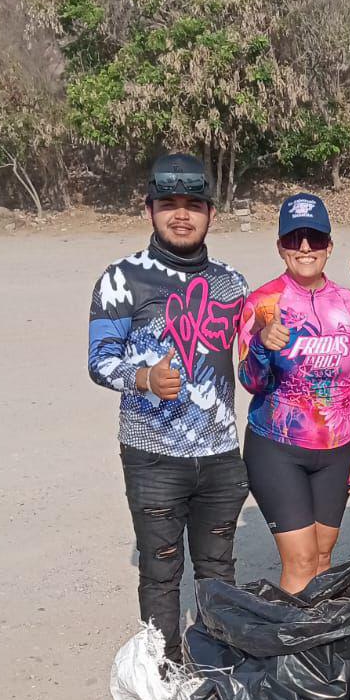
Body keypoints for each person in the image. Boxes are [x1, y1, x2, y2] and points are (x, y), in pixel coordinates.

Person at [88, 152, 248, 663]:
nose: (182, 214)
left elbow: (257, 347)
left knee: (218, 569)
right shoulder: (122, 278)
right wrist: (145, 378)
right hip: (152, 455)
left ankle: (216, 668)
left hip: (221, 454)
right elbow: (99, 360)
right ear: (150, 208)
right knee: (160, 570)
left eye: (193, 204)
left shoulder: (232, 283)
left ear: (210, 213)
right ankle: (161, 674)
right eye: (169, 204)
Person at [237, 194, 350, 592]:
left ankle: (317, 646)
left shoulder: (348, 303)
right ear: (280, 246)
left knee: (323, 557)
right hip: (276, 447)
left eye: (314, 238)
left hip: (337, 450)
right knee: (299, 560)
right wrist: (262, 343)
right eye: (294, 238)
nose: (304, 248)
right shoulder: (263, 303)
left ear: (329, 245)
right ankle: (290, 653)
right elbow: (250, 381)